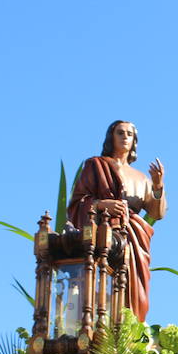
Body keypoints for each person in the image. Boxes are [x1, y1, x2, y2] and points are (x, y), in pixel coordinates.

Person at [68, 120, 167, 321]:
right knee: (104, 283)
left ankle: (131, 325)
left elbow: (157, 214)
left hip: (135, 237)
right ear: (110, 137)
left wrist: (157, 187)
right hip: (105, 232)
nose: (125, 137)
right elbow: (77, 203)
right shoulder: (96, 166)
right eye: (120, 133)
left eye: (129, 134)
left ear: (134, 141)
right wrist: (103, 205)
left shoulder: (141, 178)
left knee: (136, 289)